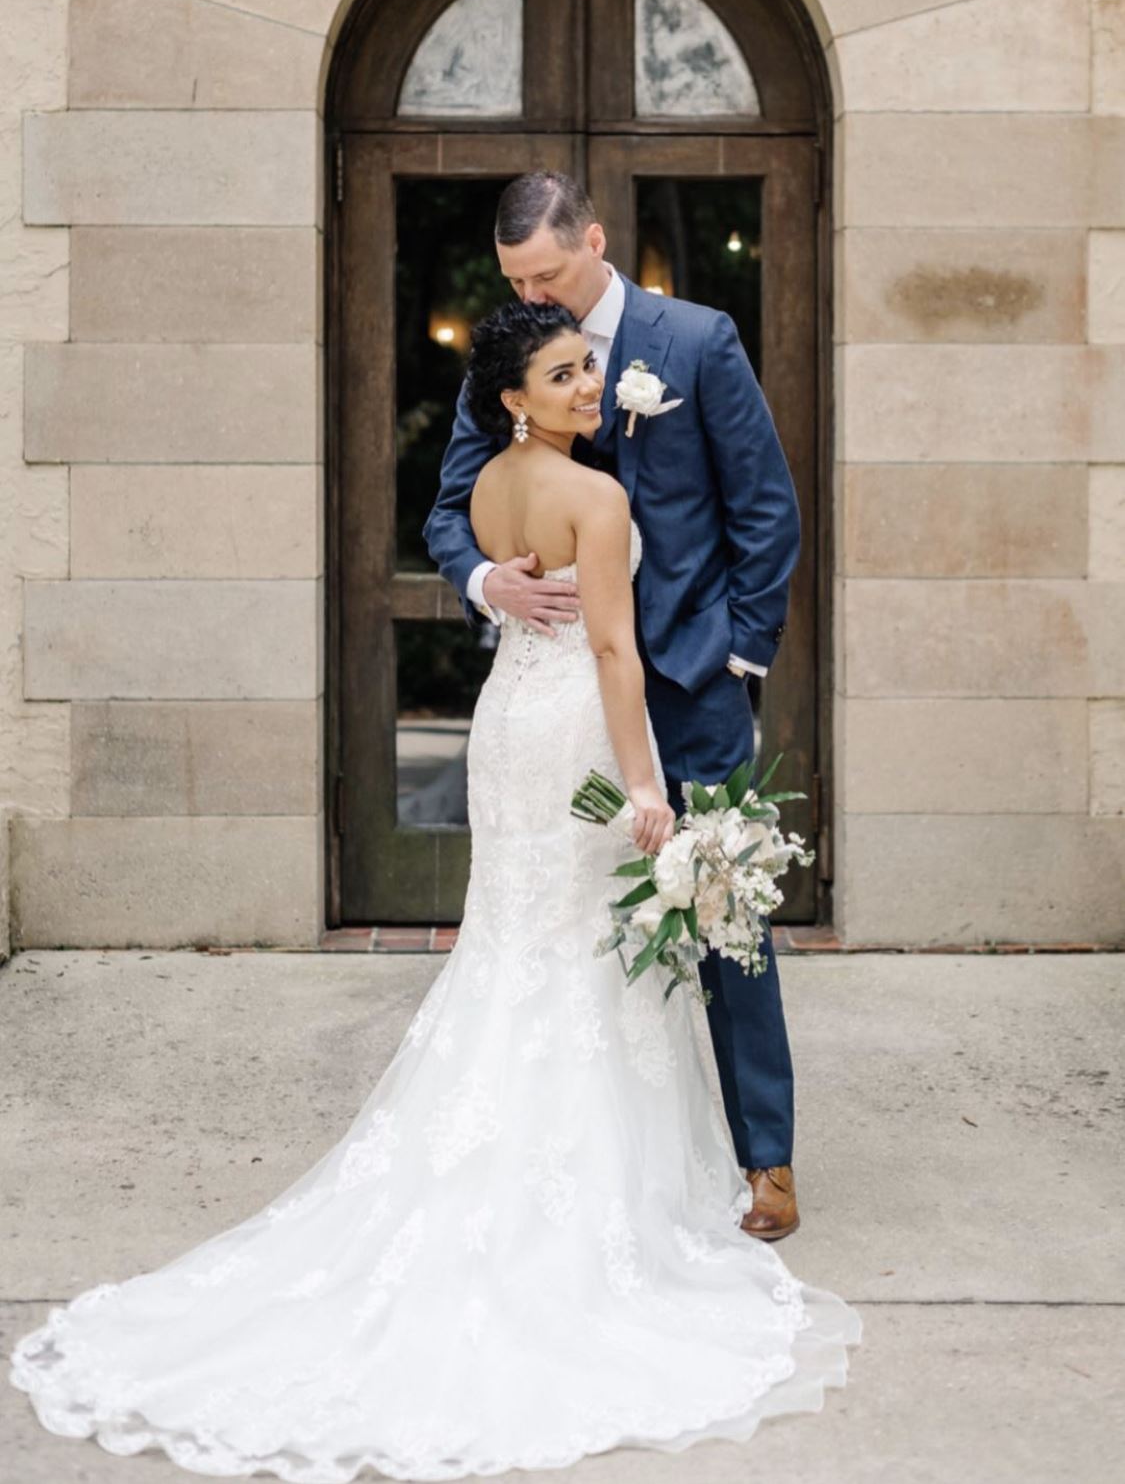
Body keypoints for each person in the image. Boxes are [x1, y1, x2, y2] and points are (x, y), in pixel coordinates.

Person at [8, 297, 860, 1480]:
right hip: (573, 738)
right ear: (513, 394)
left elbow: (511, 583)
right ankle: (578, 1209)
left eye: (587, 367)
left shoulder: (491, 489)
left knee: (521, 941)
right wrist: (648, 786)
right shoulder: (598, 497)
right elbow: (614, 652)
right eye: (563, 373)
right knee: (579, 951)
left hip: (507, 726)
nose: (587, 385)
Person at [424, 170, 804, 1241]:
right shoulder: (506, 358)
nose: (534, 294)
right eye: (515, 279)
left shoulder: (695, 340)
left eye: (547, 271)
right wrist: (484, 580)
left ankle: (766, 1157)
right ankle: (606, 1156)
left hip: (690, 678)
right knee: (583, 924)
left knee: (728, 918)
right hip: (567, 709)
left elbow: (766, 508)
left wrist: (740, 654)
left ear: (594, 239)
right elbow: (454, 511)